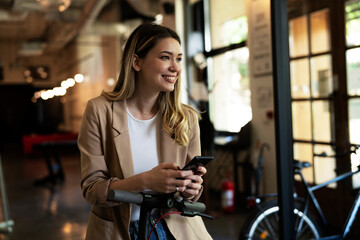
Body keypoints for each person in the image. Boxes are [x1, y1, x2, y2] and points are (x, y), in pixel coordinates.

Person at [78, 23, 213, 240]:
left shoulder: (186, 118)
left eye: (178, 58)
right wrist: (147, 181)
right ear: (136, 62)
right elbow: (93, 190)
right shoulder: (99, 111)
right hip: (120, 231)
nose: (176, 67)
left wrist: (191, 188)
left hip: (176, 229)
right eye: (165, 57)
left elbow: (191, 197)